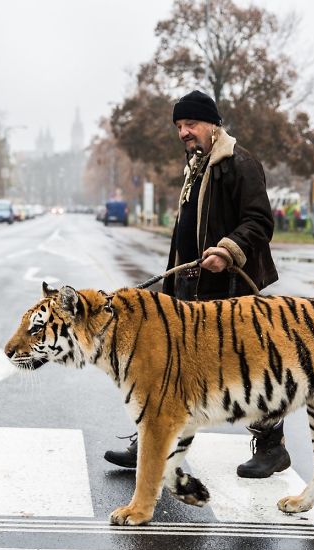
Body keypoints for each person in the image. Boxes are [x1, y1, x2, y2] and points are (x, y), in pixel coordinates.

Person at [103, 91, 290, 479]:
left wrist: (227, 251)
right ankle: (154, 443)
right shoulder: (197, 164)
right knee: (171, 369)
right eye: (179, 126)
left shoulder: (240, 163)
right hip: (190, 287)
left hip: (230, 290)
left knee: (249, 368)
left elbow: (259, 222)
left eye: (190, 124)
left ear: (212, 124)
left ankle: (272, 448)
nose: (184, 132)